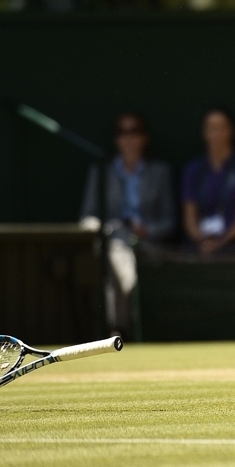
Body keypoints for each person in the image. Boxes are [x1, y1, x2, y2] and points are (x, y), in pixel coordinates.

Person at [80, 113, 176, 337]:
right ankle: (126, 298)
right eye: (122, 133)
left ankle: (118, 328)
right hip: (112, 239)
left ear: (145, 138)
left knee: (117, 253)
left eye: (135, 131)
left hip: (148, 244)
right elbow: (87, 217)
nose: (129, 138)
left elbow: (170, 221)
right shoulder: (101, 172)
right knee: (116, 246)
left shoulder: (160, 172)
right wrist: (106, 229)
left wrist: (148, 230)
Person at [182, 107, 235, 257]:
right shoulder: (193, 170)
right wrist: (202, 241)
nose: (216, 133)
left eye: (221, 128)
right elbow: (189, 217)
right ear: (204, 133)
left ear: (231, 131)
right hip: (199, 243)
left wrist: (221, 242)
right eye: (211, 128)